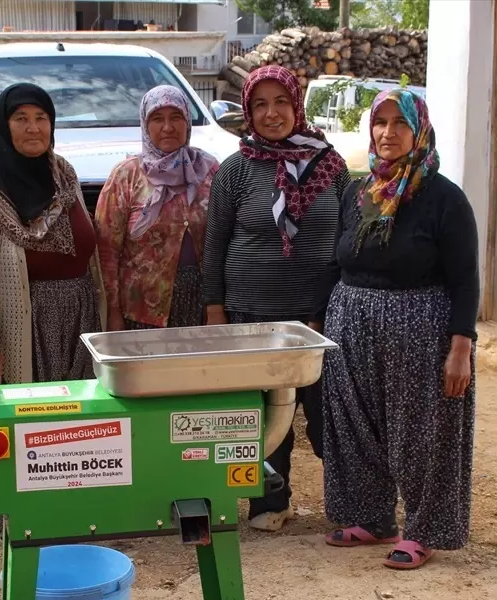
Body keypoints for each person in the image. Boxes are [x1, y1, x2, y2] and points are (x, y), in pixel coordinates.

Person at [320, 88, 478, 570]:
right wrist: (318, 324)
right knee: (355, 427)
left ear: (419, 131)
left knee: (421, 432)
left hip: (420, 326)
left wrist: (460, 348)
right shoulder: (357, 190)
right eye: (380, 122)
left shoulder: (444, 198)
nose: (388, 133)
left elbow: (466, 279)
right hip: (351, 322)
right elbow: (337, 259)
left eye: (400, 124)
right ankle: (371, 517)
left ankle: (425, 529)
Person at [202, 65, 350, 532]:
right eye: (260, 104)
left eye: (281, 102)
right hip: (252, 317)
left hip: (319, 320)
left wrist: (335, 308)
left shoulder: (331, 165)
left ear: (297, 104)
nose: (271, 114)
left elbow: (348, 237)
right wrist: (215, 311)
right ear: (247, 110)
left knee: (332, 417)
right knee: (265, 420)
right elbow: (214, 244)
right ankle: (271, 502)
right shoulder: (236, 170)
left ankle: (351, 505)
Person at [0, 83, 105, 385]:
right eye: (21, 119)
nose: (33, 128)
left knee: (81, 424)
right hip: (23, 327)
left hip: (81, 320)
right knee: (32, 426)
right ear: (4, 126)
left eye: (41, 118)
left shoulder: (63, 173)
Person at [95, 86, 219, 331]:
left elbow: (223, 242)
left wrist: (217, 306)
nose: (168, 127)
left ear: (187, 122)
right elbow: (107, 252)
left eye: (176, 117)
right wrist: (113, 311)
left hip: (200, 306)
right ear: (144, 123)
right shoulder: (126, 176)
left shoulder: (208, 170)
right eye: (157, 118)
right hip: (141, 311)